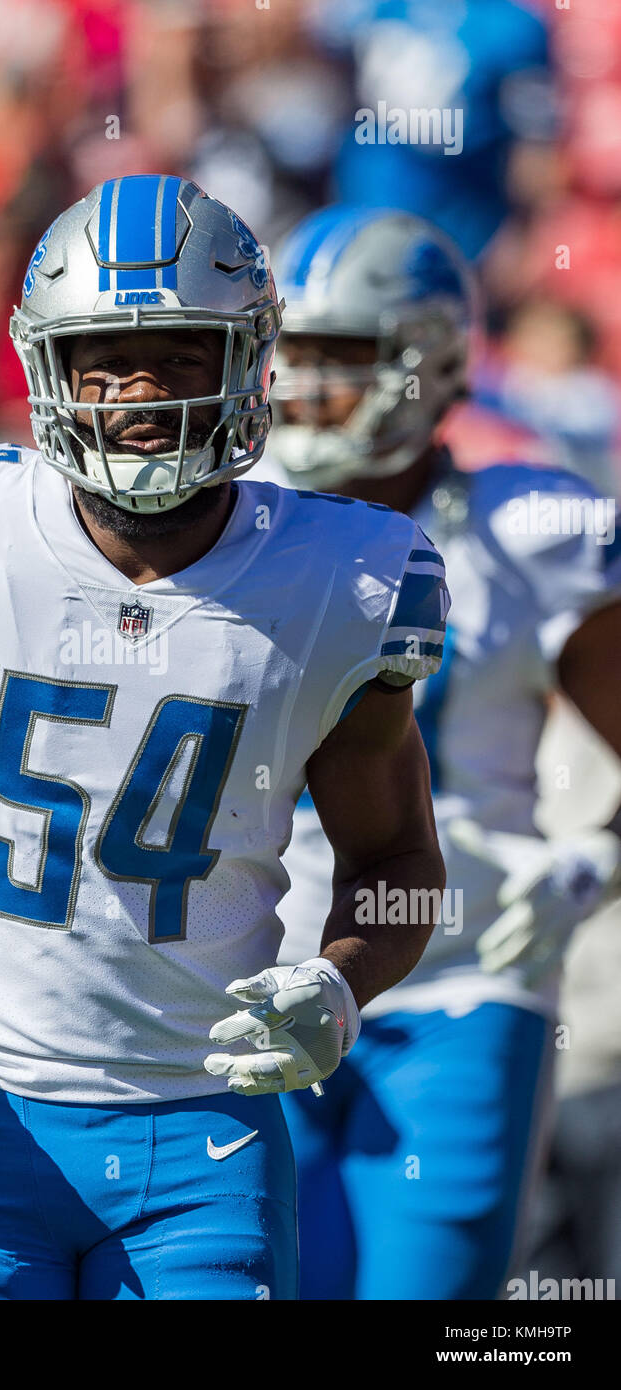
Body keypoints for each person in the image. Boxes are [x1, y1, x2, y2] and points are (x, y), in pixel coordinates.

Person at [0, 176, 448, 1301]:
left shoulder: (346, 582)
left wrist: (338, 988)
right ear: (48, 367)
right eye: (104, 356)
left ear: (248, 361)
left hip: (205, 1132)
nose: (141, 391)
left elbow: (396, 860)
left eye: (183, 355)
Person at [252, 204, 621, 1300]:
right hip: (256, 970)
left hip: (465, 976)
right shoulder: (236, 524)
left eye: (344, 359)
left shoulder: (530, 527)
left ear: (431, 363)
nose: (309, 391)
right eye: (295, 358)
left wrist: (594, 854)